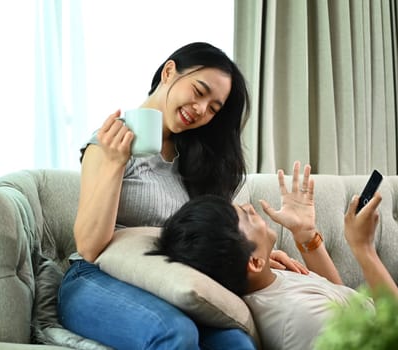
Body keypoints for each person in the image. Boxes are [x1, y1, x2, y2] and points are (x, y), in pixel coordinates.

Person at [151, 161, 398, 350]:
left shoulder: (265, 276)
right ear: (252, 261)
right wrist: (363, 249)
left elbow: (342, 299)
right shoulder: (298, 320)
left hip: (393, 309)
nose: (249, 208)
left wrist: (306, 236)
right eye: (243, 216)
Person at [58, 42, 263, 350]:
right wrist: (116, 164)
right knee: (175, 334)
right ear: (169, 72)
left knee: (236, 343)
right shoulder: (109, 145)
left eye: (213, 109)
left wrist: (259, 251)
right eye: (199, 91)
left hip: (170, 282)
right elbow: (89, 246)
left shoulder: (196, 160)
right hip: (98, 279)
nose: (201, 109)